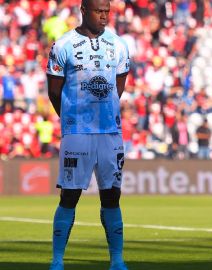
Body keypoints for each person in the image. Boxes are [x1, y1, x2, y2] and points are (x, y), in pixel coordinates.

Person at [46, 0, 130, 269]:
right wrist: (72, 118)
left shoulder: (119, 45)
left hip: (110, 132)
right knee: (69, 195)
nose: (104, 16)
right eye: (99, 11)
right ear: (84, 11)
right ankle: (57, 260)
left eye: (107, 11)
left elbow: (119, 87)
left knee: (112, 195)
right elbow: (54, 91)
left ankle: (117, 260)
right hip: (77, 132)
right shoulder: (63, 45)